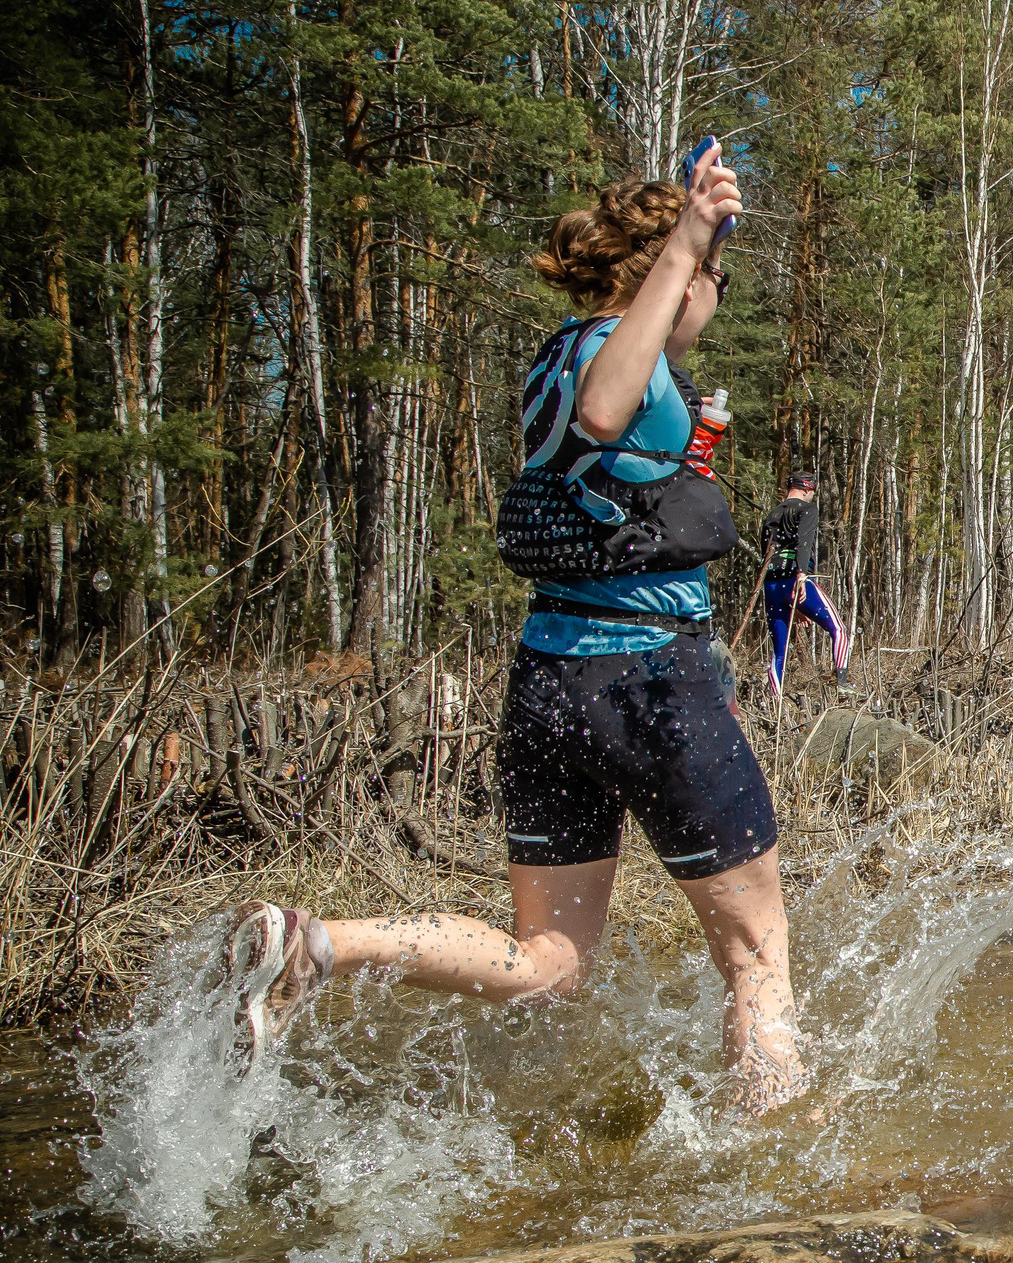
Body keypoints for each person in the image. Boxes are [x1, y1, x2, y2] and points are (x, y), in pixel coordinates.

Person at [222, 143, 810, 1114]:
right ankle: (777, 1180)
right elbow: (608, 407)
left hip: (550, 686)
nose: (716, 296)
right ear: (673, 274)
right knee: (756, 954)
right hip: (652, 687)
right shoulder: (626, 361)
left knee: (549, 963)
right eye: (716, 279)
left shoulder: (552, 354)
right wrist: (690, 239)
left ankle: (319, 944)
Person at [757, 471, 852, 704]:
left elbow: (765, 552)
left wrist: (794, 607)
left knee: (779, 651)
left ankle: (775, 704)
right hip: (796, 580)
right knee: (838, 630)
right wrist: (801, 575)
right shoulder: (807, 510)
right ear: (807, 489)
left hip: (771, 585)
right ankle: (842, 683)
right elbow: (804, 542)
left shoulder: (771, 514)